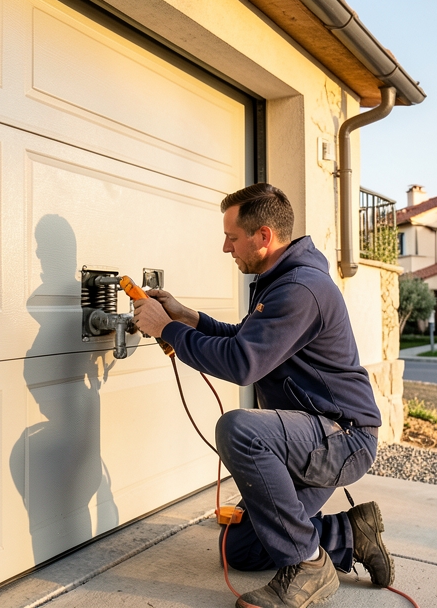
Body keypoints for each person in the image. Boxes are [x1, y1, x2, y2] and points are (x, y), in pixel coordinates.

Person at [132, 183, 394, 608]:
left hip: (341, 437)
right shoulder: (282, 280)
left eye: (232, 237)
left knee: (238, 429)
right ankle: (350, 533)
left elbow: (242, 363)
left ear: (264, 236)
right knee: (241, 550)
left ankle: (309, 567)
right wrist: (187, 317)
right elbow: (247, 339)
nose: (225, 247)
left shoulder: (300, 288)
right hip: (310, 436)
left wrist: (167, 329)